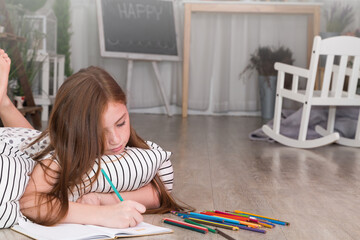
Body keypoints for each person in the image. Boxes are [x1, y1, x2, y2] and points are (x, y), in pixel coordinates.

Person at [0, 48, 189, 228]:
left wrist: (101, 199)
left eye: (121, 123)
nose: (115, 139)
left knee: (36, 143)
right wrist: (102, 215)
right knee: (34, 147)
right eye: (99, 132)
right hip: (12, 144)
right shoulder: (59, 159)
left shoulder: (137, 155)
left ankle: (3, 103)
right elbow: (30, 202)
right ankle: (3, 103)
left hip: (36, 142)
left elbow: (159, 191)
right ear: (77, 131)